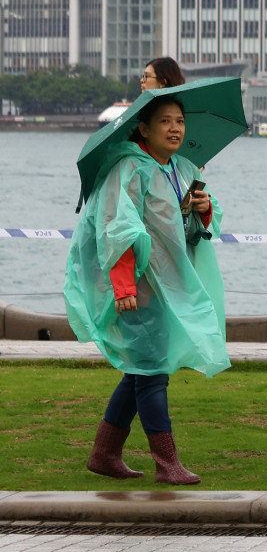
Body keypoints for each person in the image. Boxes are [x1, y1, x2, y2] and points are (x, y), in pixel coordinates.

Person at [66, 93, 226, 486]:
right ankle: (166, 462)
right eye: (165, 121)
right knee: (152, 372)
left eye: (180, 122)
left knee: (141, 369)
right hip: (138, 287)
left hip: (164, 287)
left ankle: (104, 453)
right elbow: (116, 228)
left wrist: (202, 207)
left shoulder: (182, 168)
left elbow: (189, 232)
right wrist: (122, 287)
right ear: (144, 128)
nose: (175, 129)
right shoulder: (128, 169)